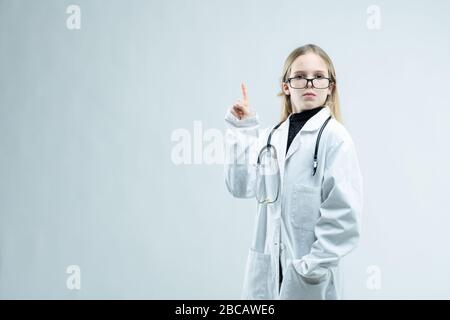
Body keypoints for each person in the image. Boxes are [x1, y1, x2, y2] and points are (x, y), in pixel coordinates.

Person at [223, 44, 363, 299]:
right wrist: (243, 130)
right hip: (266, 274)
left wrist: (308, 270)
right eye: (299, 76)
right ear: (286, 86)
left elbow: (343, 219)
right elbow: (240, 185)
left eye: (319, 76)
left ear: (330, 86)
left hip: (308, 281)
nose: (309, 82)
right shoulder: (270, 138)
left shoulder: (336, 139)